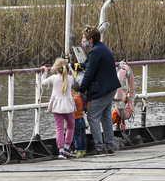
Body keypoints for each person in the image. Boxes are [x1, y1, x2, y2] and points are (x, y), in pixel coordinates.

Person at [76, 26, 120, 154]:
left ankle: (99, 147)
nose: (82, 40)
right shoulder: (101, 48)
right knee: (105, 116)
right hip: (110, 88)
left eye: (84, 38)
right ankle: (110, 145)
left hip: (102, 89)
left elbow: (89, 73)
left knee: (92, 116)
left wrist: (81, 89)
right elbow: (88, 64)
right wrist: (76, 66)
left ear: (90, 39)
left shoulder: (95, 51)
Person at [40, 58, 76, 159]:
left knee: (59, 128)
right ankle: (67, 146)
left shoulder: (54, 78)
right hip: (68, 106)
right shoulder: (70, 78)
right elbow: (76, 81)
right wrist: (71, 70)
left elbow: (43, 83)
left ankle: (61, 150)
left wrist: (45, 72)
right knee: (70, 126)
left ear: (55, 68)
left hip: (57, 106)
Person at [71, 90, 87, 158]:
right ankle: (83, 150)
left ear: (73, 90)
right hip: (81, 118)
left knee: (77, 136)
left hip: (76, 119)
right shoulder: (81, 97)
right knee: (82, 135)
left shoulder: (75, 99)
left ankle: (78, 151)